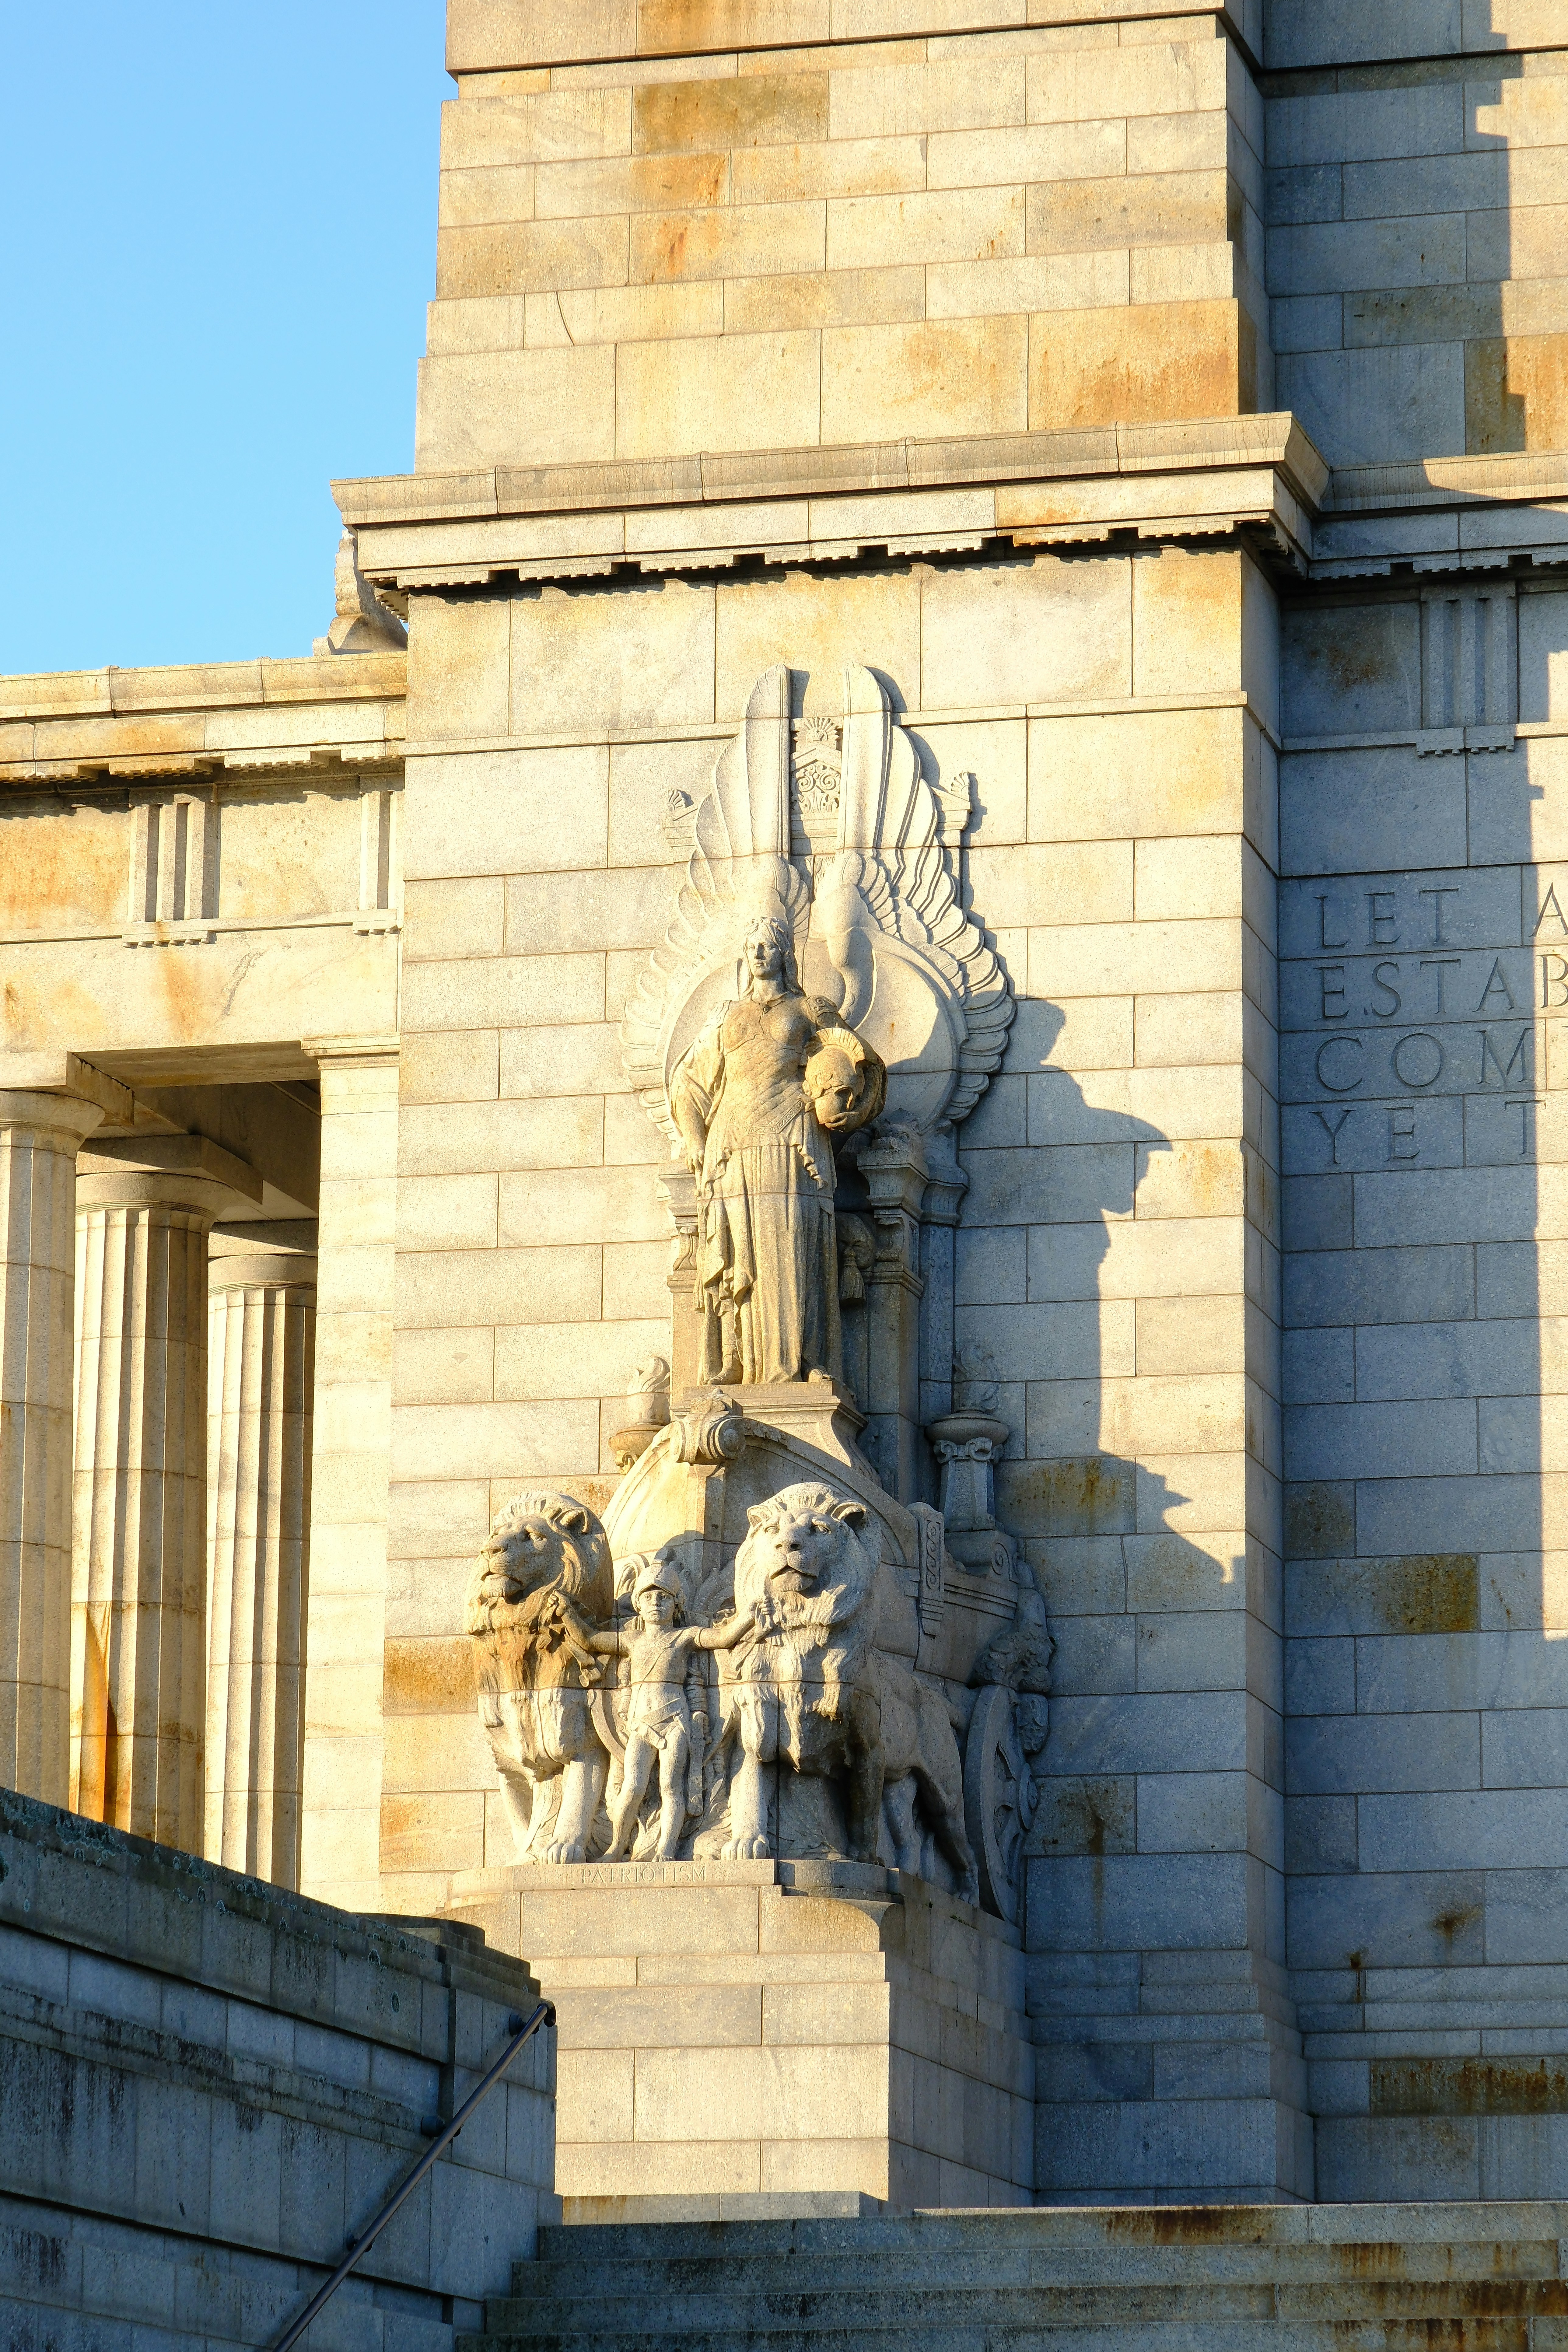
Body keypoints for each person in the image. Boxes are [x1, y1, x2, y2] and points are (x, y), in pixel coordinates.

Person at [669, 912, 884, 1386]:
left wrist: (851, 1111)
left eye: (767, 945)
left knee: (791, 1247)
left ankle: (803, 1361)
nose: (759, 953)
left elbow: (860, 1061)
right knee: (737, 1249)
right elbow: (689, 1081)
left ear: (785, 952)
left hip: (792, 1137)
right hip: (732, 1140)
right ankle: (737, 1361)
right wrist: (696, 1137)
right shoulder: (726, 1014)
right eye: (752, 947)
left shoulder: (812, 1009)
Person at [560, 1550, 754, 1862]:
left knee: (671, 1787)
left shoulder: (686, 1637)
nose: (656, 1603)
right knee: (633, 1787)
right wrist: (568, 1614)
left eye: (664, 1597)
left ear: (677, 1604)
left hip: (676, 1721)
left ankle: (666, 1849)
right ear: (638, 1604)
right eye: (648, 1597)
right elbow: (591, 1640)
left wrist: (750, 1616)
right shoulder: (632, 1640)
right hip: (641, 1723)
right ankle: (617, 1847)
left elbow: (722, 1638)